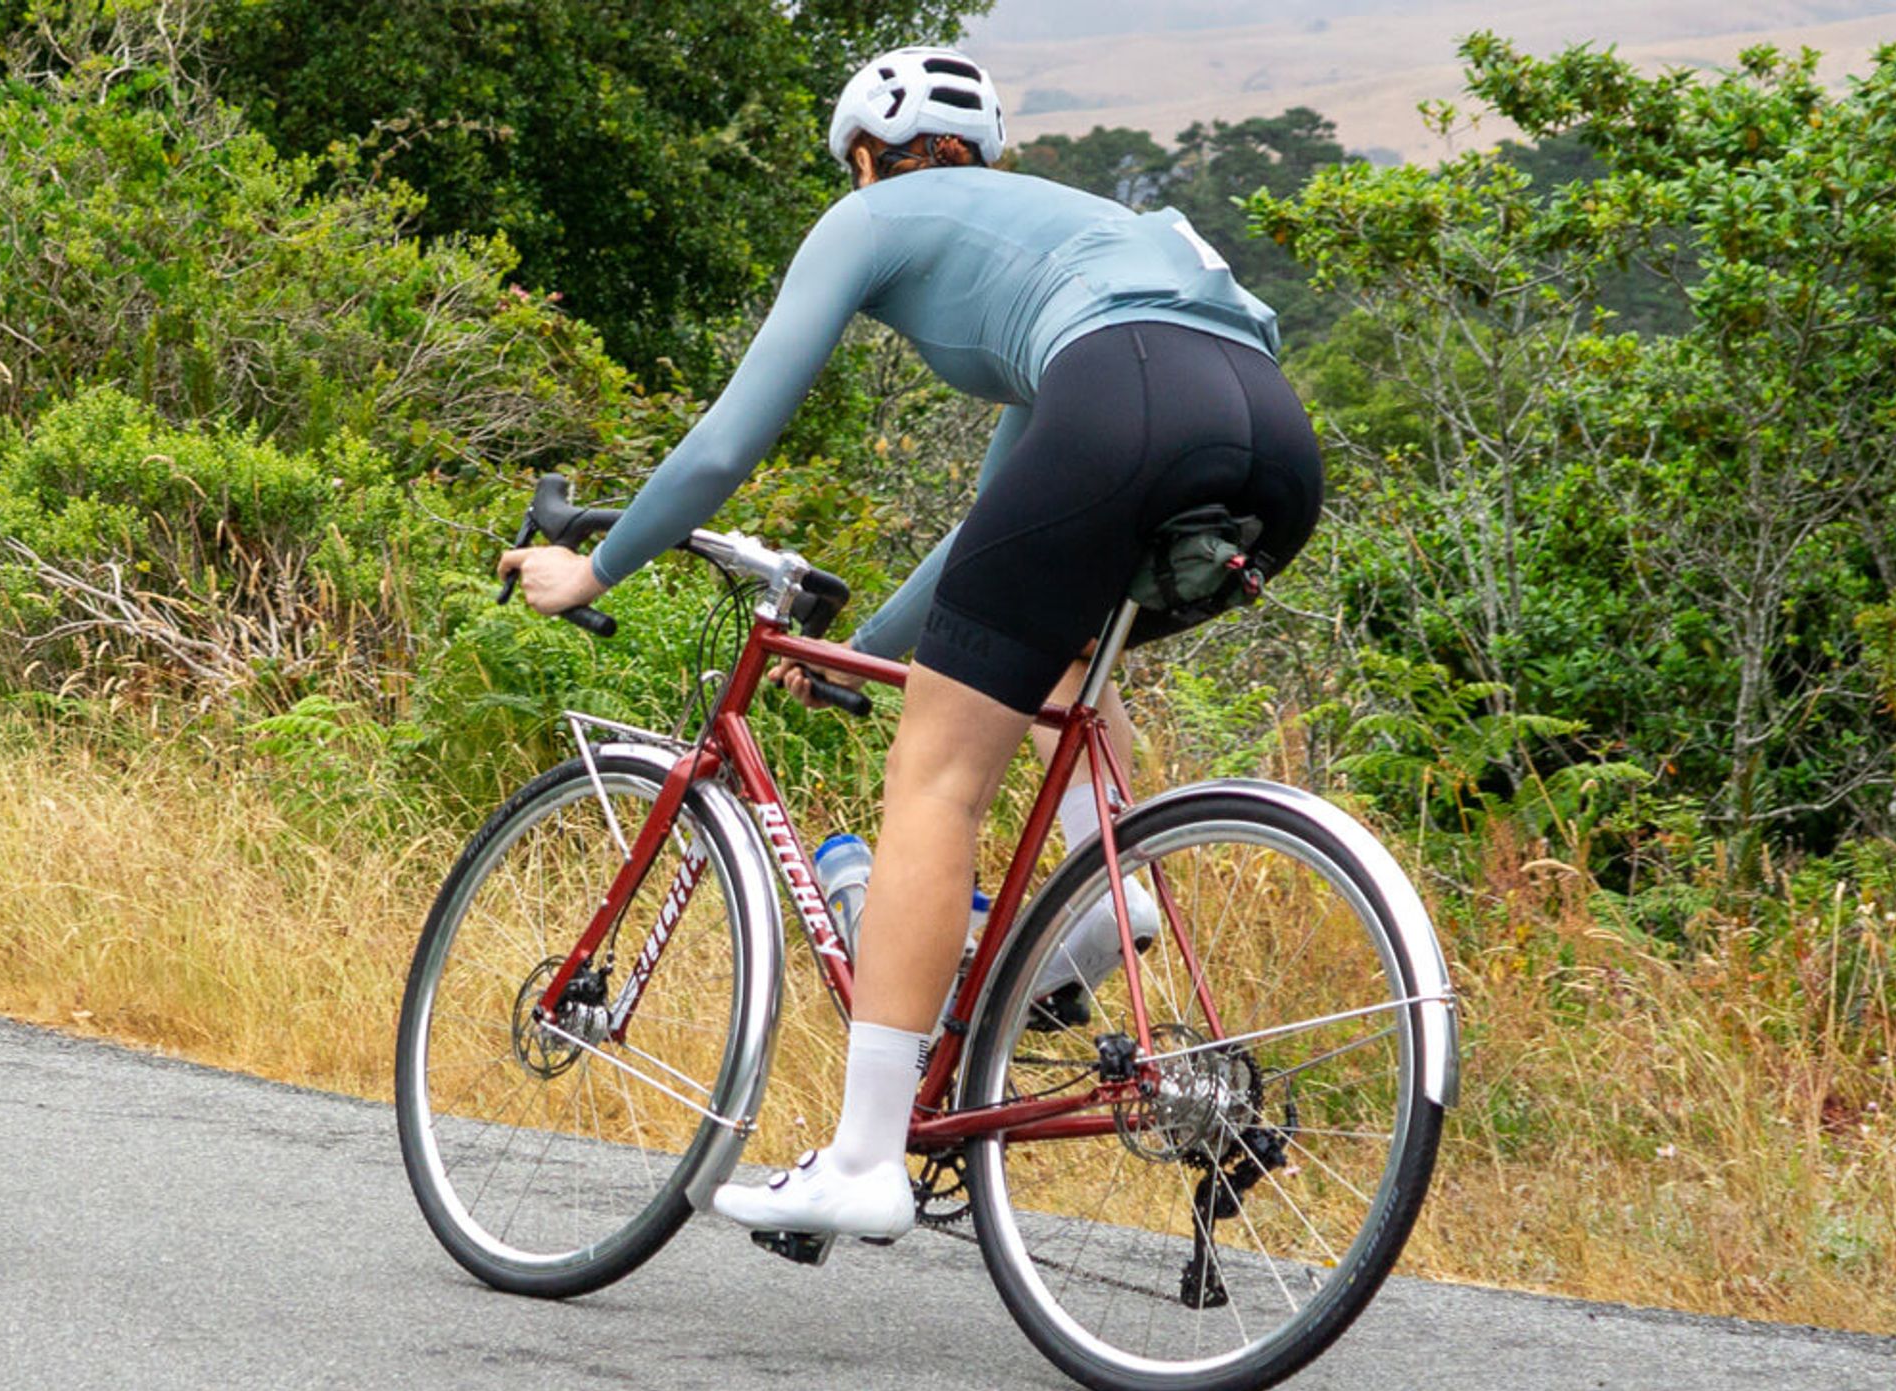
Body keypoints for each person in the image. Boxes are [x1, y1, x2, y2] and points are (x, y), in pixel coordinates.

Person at [492, 45, 1322, 1240]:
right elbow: (1002, 540)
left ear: (866, 157)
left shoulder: (877, 212)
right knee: (1058, 650)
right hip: (1268, 434)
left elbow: (726, 446)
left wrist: (594, 564)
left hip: (1121, 399)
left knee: (936, 780)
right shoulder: (1080, 231)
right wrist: (875, 650)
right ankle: (1109, 891)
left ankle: (864, 1160)